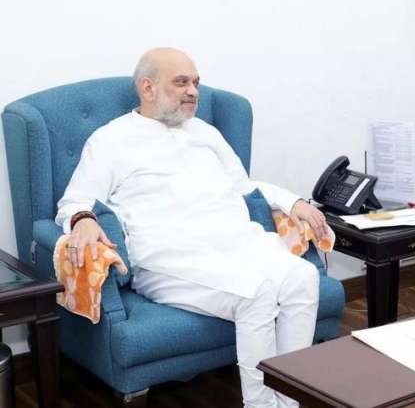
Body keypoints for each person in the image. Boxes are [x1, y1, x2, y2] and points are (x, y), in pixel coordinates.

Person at [56, 47, 329, 408]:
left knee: (303, 278)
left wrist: (292, 202)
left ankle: (290, 400)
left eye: (196, 83)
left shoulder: (206, 133)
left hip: (236, 244)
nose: (193, 92)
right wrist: (84, 220)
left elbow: (245, 187)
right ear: (148, 88)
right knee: (257, 292)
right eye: (181, 82)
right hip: (169, 258)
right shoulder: (110, 140)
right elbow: (74, 202)